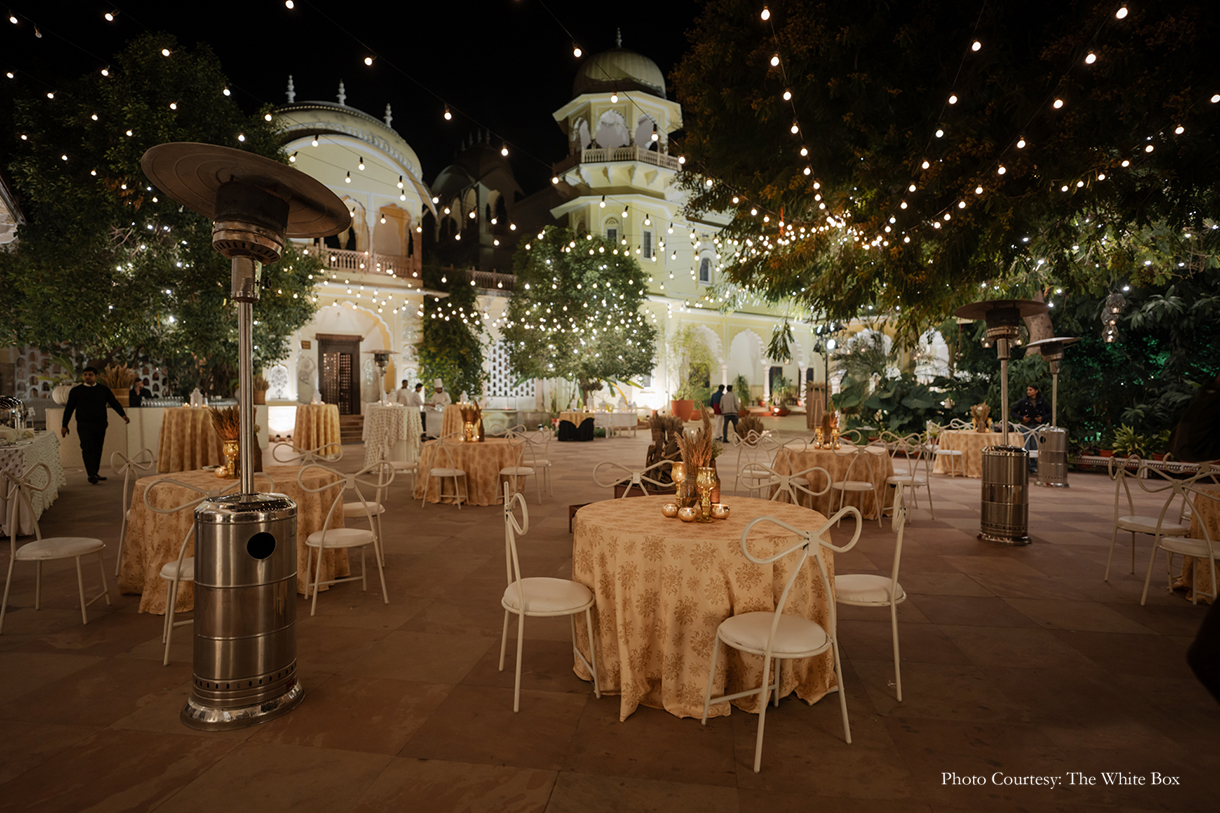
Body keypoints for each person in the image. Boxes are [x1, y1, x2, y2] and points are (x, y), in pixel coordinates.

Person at [61, 366, 130, 485]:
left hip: (100, 423)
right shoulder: (76, 391)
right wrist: (64, 425)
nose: (87, 377)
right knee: (87, 447)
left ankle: (95, 472)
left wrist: (123, 415)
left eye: (90, 375)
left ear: (96, 376)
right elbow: (69, 408)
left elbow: (113, 402)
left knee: (98, 448)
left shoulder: (103, 389)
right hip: (83, 424)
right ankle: (91, 474)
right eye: (85, 375)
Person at [1011, 384, 1051, 472]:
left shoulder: (1042, 402)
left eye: (1031, 390)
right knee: (1026, 445)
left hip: (1036, 426)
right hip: (1025, 426)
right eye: (1028, 390)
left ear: (1036, 391)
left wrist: (1042, 418)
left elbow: (1050, 412)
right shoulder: (1023, 401)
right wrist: (1022, 418)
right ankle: (1026, 465)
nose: (1028, 392)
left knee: (1035, 445)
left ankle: (1034, 466)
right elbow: (1013, 411)